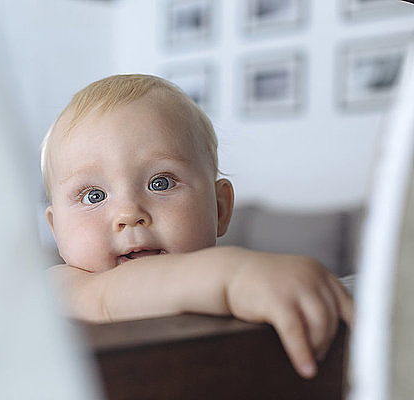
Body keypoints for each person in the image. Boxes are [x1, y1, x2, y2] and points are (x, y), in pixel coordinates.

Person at [40, 74, 353, 379]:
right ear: (56, 229)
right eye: (93, 195)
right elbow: (108, 296)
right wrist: (236, 275)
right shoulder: (61, 288)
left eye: (160, 183)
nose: (128, 213)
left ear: (220, 208)